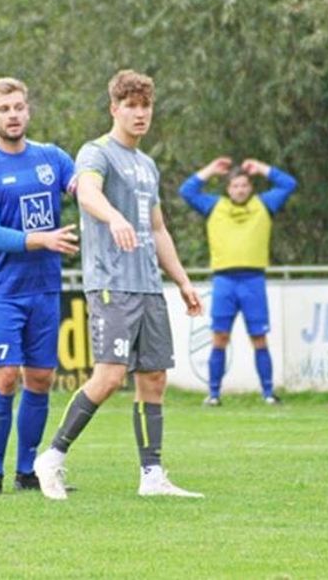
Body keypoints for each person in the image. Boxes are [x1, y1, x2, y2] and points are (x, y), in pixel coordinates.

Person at [33, 69, 204, 500]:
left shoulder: (147, 165)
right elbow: (87, 193)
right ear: (115, 109)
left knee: (154, 378)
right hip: (111, 283)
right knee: (108, 377)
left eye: (145, 105)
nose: (140, 114)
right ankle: (51, 457)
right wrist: (114, 217)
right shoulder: (97, 153)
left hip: (148, 285)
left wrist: (181, 280)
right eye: (131, 105)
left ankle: (152, 476)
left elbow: (159, 229)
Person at [0, 77, 78, 495]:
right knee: (6, 376)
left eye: (18, 107)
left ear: (28, 111)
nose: (13, 115)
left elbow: (88, 189)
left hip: (45, 288)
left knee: (42, 379)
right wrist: (44, 239)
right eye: (4, 108)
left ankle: (27, 470)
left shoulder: (53, 158)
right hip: (3, 292)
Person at [179, 156, 297, 406]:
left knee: (259, 337)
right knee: (219, 337)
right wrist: (210, 169)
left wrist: (262, 168)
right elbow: (187, 191)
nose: (240, 190)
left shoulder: (263, 205)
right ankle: (213, 394)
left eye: (244, 185)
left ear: (250, 187)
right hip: (224, 281)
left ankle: (268, 393)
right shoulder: (215, 206)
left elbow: (288, 184)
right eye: (235, 186)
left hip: (253, 280)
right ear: (228, 188)